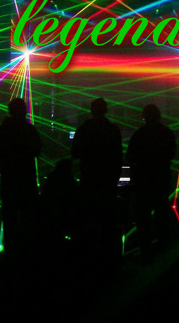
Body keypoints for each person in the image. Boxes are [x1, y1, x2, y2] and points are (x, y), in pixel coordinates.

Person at [0, 98, 41, 258]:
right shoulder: (30, 130)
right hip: (26, 178)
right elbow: (37, 150)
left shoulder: (1, 131)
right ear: (24, 111)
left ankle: (11, 252)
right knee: (28, 216)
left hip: (9, 178)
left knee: (10, 217)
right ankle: (27, 252)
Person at [71, 98, 122, 264]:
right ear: (106, 110)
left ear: (91, 110)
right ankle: (109, 257)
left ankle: (88, 257)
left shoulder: (84, 129)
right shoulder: (112, 129)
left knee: (89, 217)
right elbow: (118, 155)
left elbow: (75, 152)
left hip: (90, 178)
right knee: (108, 219)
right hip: (107, 180)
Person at [127, 104, 176, 259]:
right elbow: (171, 154)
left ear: (144, 117)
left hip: (143, 181)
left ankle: (146, 251)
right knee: (162, 215)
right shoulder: (166, 133)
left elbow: (130, 156)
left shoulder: (139, 134)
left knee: (143, 217)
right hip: (161, 179)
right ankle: (165, 250)